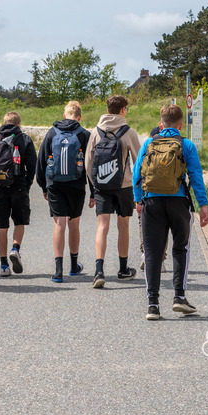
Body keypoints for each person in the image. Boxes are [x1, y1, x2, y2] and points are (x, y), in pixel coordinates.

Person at [132, 104, 208, 321]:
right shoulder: (186, 145)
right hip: (178, 203)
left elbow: (137, 174)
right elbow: (195, 176)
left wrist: (138, 200)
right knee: (180, 249)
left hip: (151, 203)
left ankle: (153, 305)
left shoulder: (148, 143)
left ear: (161, 123)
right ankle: (179, 297)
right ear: (180, 124)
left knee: (152, 253)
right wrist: (203, 204)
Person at [85, 95, 141, 288]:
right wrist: (136, 185)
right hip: (123, 186)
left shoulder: (96, 132)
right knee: (123, 225)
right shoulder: (129, 132)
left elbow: (88, 164)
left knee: (102, 226)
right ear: (123, 110)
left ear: (108, 109)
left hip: (101, 185)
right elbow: (139, 161)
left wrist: (96, 183)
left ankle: (99, 271)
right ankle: (123, 269)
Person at [35, 100, 92, 283]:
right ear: (79, 117)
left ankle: (58, 271)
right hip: (76, 185)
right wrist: (93, 191)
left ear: (64, 115)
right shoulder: (84, 134)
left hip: (55, 185)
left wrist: (44, 186)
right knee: (74, 224)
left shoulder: (52, 132)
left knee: (59, 224)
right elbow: (91, 165)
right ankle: (74, 266)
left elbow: (41, 161)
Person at [0, 111, 36, 277]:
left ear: (3, 123)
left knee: (2, 226)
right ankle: (15, 248)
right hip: (19, 186)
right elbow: (32, 165)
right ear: (19, 124)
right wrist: (28, 184)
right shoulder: (24, 139)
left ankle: (4, 264)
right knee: (20, 222)